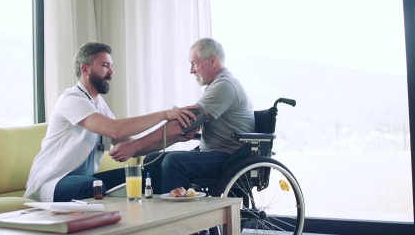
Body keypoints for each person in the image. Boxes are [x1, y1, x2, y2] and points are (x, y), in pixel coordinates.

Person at [24, 42, 195, 202]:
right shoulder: (72, 99)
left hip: (85, 180)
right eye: (105, 66)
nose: (111, 72)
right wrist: (165, 114)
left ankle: (166, 231)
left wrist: (175, 137)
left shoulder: (99, 104)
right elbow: (116, 130)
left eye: (111, 66)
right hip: (51, 183)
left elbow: (133, 147)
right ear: (85, 69)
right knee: (92, 186)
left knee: (149, 174)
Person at [109, 38, 255, 194]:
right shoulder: (216, 85)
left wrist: (133, 147)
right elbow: (187, 123)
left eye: (194, 63)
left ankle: (175, 216)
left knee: (174, 163)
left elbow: (182, 124)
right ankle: (157, 212)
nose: (191, 70)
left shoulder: (224, 85)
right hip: (213, 152)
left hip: (231, 157)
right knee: (152, 160)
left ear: (212, 60)